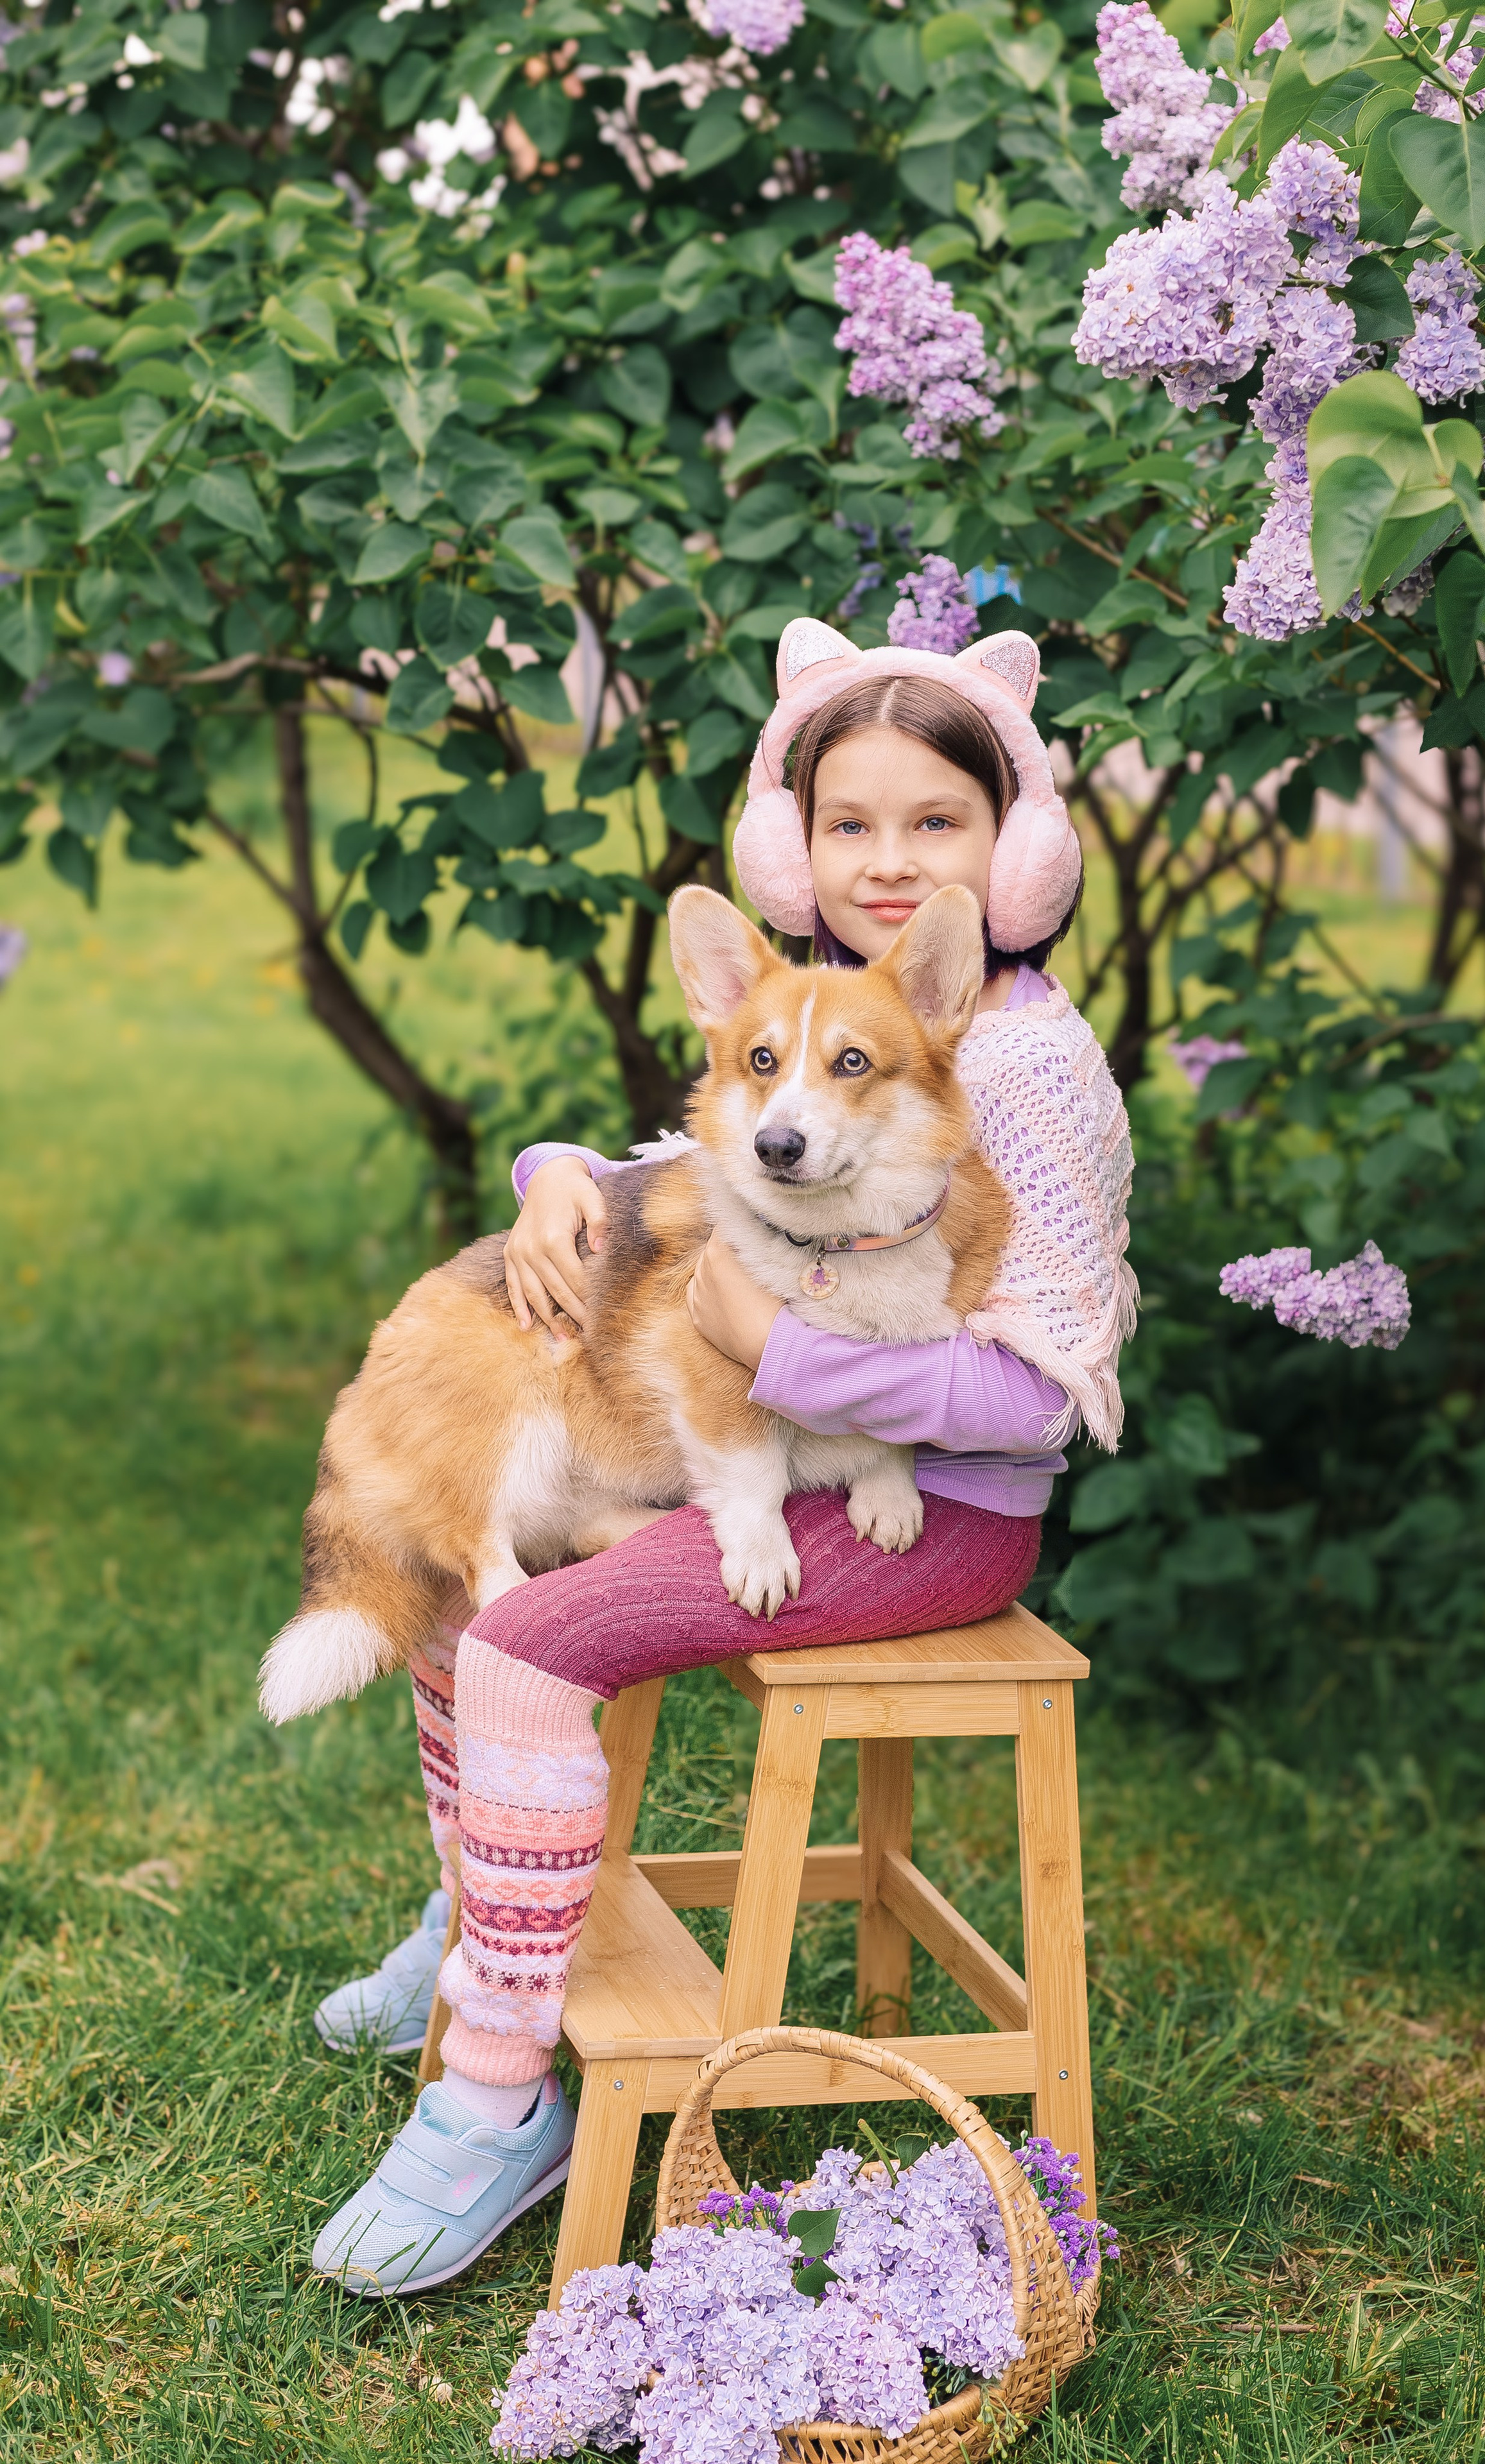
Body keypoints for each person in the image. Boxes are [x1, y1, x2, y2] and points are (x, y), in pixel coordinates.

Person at [309, 619, 1137, 2294]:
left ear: (1015, 845)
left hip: (934, 1515)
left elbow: (1038, 1403)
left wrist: (776, 1345)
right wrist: (556, 1173)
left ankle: (499, 2093)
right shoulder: (817, 993)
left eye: (936, 821)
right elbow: (709, 1146)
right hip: (789, 1465)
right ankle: (485, 1915)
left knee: (531, 1646)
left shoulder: (1032, 1065)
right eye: (849, 823)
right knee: (472, 1577)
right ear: (793, 843)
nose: (889, 860)